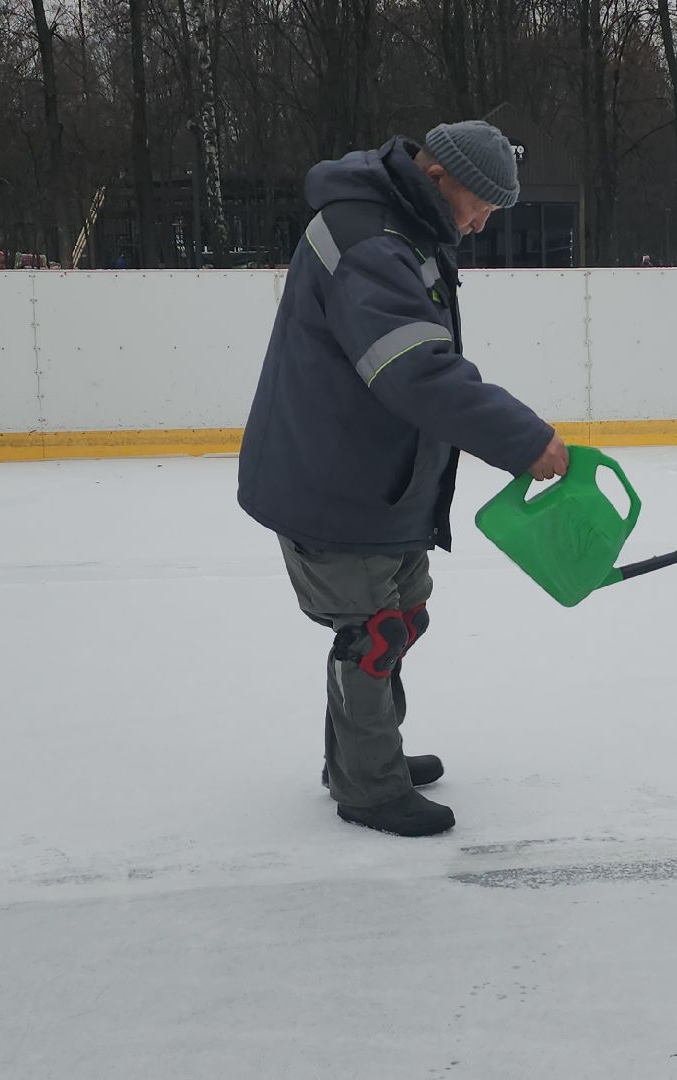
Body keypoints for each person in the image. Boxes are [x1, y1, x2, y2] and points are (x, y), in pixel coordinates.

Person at [237, 121, 569, 837]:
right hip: (332, 482)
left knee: (403, 615)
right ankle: (369, 787)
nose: (481, 225)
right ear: (438, 175)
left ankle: (363, 755)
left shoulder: (404, 228)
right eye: (479, 206)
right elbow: (416, 372)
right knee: (373, 633)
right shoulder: (370, 242)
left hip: (373, 478)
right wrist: (524, 439)